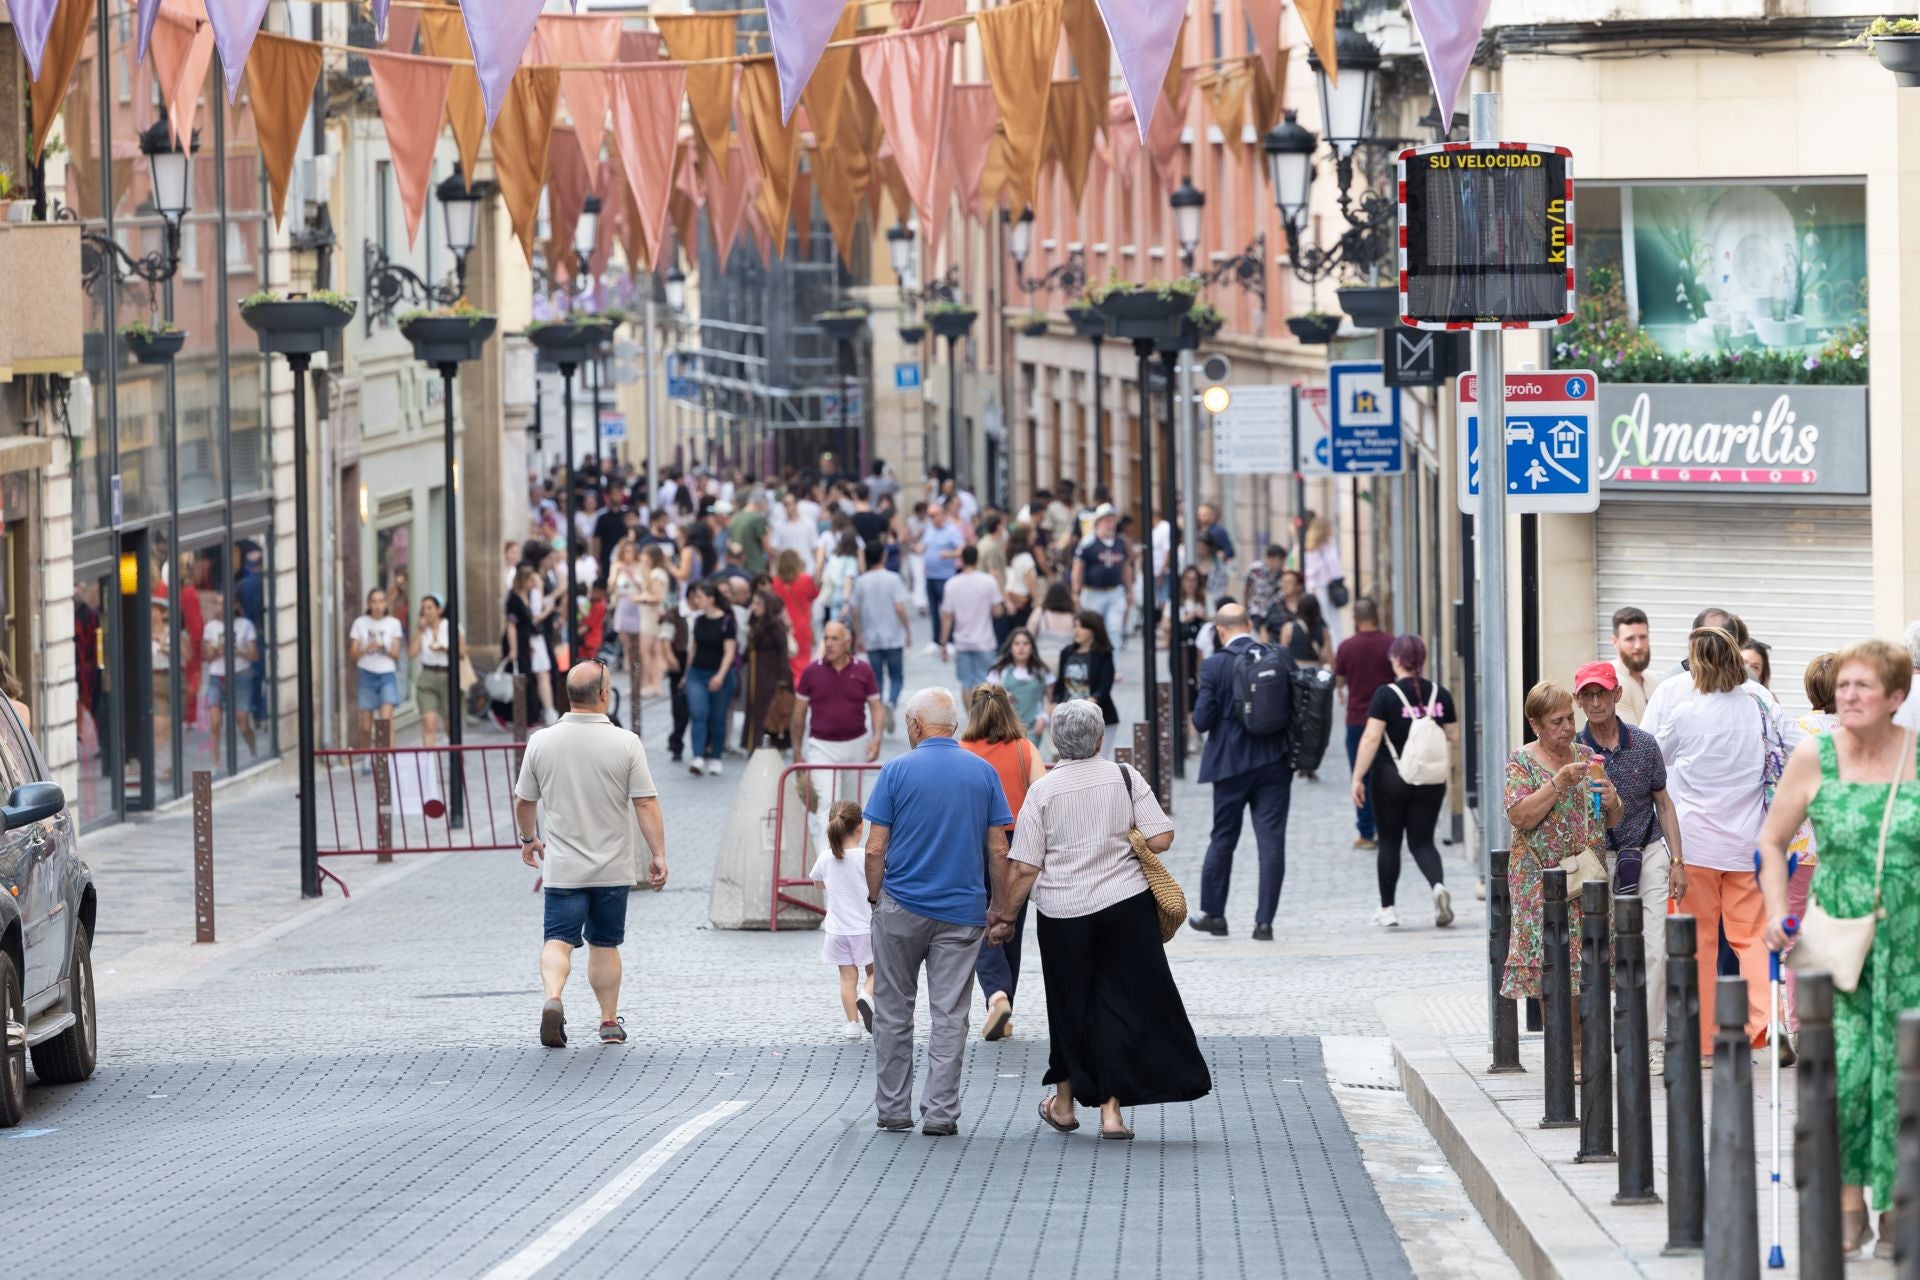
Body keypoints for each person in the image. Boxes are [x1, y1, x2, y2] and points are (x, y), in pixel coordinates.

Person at [1760, 639, 1920, 1255]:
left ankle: (1902, 1205)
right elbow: (1772, 840)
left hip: (1911, 942)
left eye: (1864, 687)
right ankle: (1851, 1202)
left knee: (1904, 1076)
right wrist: (1779, 911)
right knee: (1849, 1076)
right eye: (1844, 685)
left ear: (1897, 699)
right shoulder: (1815, 756)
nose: (1848, 697)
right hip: (1842, 942)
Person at [990, 699, 1211, 1139]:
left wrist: (1006, 917)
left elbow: (1026, 866)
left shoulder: (1044, 791)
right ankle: (1112, 1114)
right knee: (1119, 1005)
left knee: (1069, 1004)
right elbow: (1161, 838)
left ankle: (1066, 1104)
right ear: (1099, 739)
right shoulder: (1124, 776)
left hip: (1063, 913)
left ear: (1055, 741)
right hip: (1125, 906)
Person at [862, 688, 1012, 1136]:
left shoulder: (896, 772)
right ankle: (941, 1113)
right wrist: (1001, 908)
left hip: (901, 907)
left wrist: (875, 897)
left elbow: (874, 847)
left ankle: (893, 1108)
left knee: (893, 1010)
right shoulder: (982, 773)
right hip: (961, 912)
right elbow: (999, 851)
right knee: (950, 1015)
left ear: (914, 725)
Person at [515, 661, 669, 1048]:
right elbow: (645, 804)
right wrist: (658, 855)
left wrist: (528, 838)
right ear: (604, 695)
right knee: (604, 944)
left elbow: (524, 800)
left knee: (557, 941)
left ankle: (553, 998)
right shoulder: (626, 742)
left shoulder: (541, 742)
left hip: (563, 868)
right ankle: (608, 1022)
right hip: (611, 869)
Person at [1645, 626, 1780, 1055]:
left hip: (1695, 845)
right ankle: (1768, 1025)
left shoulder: (1684, 713)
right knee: (1754, 938)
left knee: (1699, 942)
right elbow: (1793, 747)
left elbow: (1654, 764)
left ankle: (1702, 1042)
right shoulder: (1759, 705)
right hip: (1748, 843)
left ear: (1697, 664)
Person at [1572, 659, 1686, 1054]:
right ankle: (1605, 1034)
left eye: (1601, 692)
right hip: (1598, 857)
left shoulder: (1644, 743)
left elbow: (1664, 803)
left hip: (1648, 848)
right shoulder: (1575, 754)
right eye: (1587, 694)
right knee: (1603, 949)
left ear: (1617, 695)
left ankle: (1651, 1038)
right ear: (1579, 701)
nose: (1596, 701)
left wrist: (1677, 862)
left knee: (1655, 946)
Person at [1501, 681, 1621, 1007]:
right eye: (1557, 722)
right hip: (1542, 884)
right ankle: (1566, 1054)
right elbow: (1520, 817)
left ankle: (1582, 1051)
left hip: (1586, 880)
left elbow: (1608, 820)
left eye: (1570, 718)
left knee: (1588, 968)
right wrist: (1558, 783)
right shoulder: (1521, 762)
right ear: (1535, 724)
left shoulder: (1586, 756)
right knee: (1552, 968)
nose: (1568, 728)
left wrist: (1613, 801)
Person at [1188, 604, 1295, 940]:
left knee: (1223, 838)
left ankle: (1215, 914)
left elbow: (1202, 720)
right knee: (1272, 841)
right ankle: (1264, 923)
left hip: (1230, 766)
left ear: (1220, 630)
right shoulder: (1279, 656)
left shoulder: (1215, 664)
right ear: (1250, 624)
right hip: (1275, 762)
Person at [1347, 634, 1458, 928]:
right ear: (1420, 660)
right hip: (1430, 779)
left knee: (1390, 842)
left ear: (1396, 659)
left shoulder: (1386, 695)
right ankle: (1438, 887)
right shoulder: (1440, 694)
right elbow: (1454, 734)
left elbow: (1371, 737)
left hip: (1390, 777)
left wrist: (1357, 777)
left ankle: (1388, 910)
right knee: (1422, 841)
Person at [958, 684, 1047, 1042]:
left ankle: (996, 996)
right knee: (1010, 921)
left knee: (979, 918)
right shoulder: (1026, 750)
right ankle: (1004, 1005)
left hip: (974, 841)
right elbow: (1043, 797)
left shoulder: (962, 752)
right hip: (1018, 842)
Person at [792, 621, 883, 863]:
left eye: (835, 639)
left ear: (848, 642)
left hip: (855, 743)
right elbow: (799, 713)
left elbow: (876, 706)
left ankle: (852, 861)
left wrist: (876, 739)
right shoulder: (812, 671)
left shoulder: (863, 670)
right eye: (826, 638)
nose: (829, 644)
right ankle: (825, 866)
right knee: (827, 806)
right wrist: (797, 752)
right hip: (821, 746)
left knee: (852, 807)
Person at [811, 801, 877, 1042]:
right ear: (861, 827)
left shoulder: (826, 858)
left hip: (837, 931)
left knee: (847, 978)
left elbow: (818, 883)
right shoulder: (864, 857)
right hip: (865, 928)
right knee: (878, 970)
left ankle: (852, 1025)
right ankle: (868, 996)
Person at [1333, 598, 1395, 850]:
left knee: (1361, 776)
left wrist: (1341, 691)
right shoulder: (1390, 644)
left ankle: (1366, 832)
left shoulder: (1347, 646)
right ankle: (1385, 828)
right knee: (1387, 775)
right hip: (1388, 721)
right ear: (1377, 615)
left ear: (1355, 619)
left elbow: (1339, 679)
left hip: (1358, 718)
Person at [846, 542, 911, 728]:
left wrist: (859, 634)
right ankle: (891, 702)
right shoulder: (893, 579)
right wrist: (906, 629)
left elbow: (855, 610)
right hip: (893, 635)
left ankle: (879, 711)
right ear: (882, 557)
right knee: (896, 675)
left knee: (876, 679)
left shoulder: (861, 581)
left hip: (871, 636)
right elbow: (900, 607)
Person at [683, 580, 738, 776]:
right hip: (697, 672)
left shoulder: (726, 622)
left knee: (718, 717)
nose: (696, 600)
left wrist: (721, 676)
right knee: (699, 713)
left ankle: (715, 757)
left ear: (711, 599)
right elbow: (693, 648)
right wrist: (685, 673)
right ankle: (698, 756)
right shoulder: (698, 620)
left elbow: (729, 652)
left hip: (719, 674)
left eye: (699, 596)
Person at [1050, 610, 1119, 758]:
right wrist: (1054, 701)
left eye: (1081, 626)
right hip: (1070, 719)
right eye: (1075, 626)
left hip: (1099, 717)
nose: (1077, 630)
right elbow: (1060, 683)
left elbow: (1106, 683)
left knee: (1097, 759)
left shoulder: (1103, 654)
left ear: (1093, 630)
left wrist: (1094, 698)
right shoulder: (1067, 652)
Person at [940, 545, 1005, 693]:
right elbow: (998, 612)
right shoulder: (989, 581)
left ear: (961, 560)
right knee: (988, 683)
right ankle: (984, 715)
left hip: (962, 641)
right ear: (978, 559)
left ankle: (971, 715)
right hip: (985, 640)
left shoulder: (951, 584)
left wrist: (943, 642)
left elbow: (947, 616)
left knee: (966, 684)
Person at [349, 588, 404, 748]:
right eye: (374, 601)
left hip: (386, 674)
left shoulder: (393, 623)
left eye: (381, 601)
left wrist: (383, 648)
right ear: (369, 603)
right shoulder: (360, 623)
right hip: (366, 673)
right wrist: (366, 648)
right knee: (366, 725)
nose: (378, 605)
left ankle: (386, 759)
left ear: (386, 603)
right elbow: (352, 654)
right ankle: (367, 754)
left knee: (385, 721)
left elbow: (396, 653)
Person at [1071, 505, 1132, 650]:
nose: (1110, 524)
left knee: (1114, 630)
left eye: (1112, 521)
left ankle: (1113, 667)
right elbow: (1078, 567)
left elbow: (1125, 567)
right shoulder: (1088, 543)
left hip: (1115, 592)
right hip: (1093, 593)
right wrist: (1076, 591)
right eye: (1106, 521)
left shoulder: (1120, 542)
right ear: (1098, 523)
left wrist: (1129, 590)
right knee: (1093, 630)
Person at [740, 589, 794, 752]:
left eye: (758, 604)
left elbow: (783, 652)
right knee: (755, 708)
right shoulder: (755, 625)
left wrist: (783, 679)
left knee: (769, 708)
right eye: (753, 603)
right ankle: (753, 743)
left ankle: (767, 743)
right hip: (756, 674)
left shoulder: (775, 626)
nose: (754, 607)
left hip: (771, 674)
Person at [987, 629, 1051, 747]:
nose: (1021, 647)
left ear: (1032, 647)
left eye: (1025, 643)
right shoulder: (999, 672)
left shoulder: (1043, 671)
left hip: (1033, 729)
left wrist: (1044, 718)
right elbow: (989, 701)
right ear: (1010, 647)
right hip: (1006, 730)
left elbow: (1053, 700)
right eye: (1017, 643)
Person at [408, 595, 453, 747]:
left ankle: (457, 761)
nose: (426, 612)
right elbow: (412, 653)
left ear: (438, 610)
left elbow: (461, 652)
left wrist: (444, 649)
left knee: (449, 725)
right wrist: (420, 631)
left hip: (448, 675)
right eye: (424, 608)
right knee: (428, 723)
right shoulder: (422, 630)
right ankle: (429, 767)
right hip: (427, 675)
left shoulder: (449, 626)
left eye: (430, 608)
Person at [771, 549, 819, 687]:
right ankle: (801, 696)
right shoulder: (805, 580)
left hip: (783, 627)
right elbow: (814, 595)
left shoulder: (775, 583)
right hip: (802, 627)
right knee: (802, 665)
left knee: (786, 665)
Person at [1608, 606, 1660, 725]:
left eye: (1643, 637)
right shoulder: (1611, 683)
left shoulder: (1653, 680)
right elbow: (1630, 740)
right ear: (1615, 642)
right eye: (1630, 639)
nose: (1638, 645)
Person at [919, 501, 966, 632]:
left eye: (933, 515)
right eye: (929, 515)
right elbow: (924, 545)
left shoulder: (952, 530)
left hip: (945, 576)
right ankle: (936, 640)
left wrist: (949, 554)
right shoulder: (930, 529)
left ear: (941, 514)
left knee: (947, 610)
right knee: (933, 610)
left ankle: (950, 639)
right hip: (930, 576)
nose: (931, 518)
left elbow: (962, 549)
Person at [1302, 514, 1345, 644]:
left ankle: (1337, 647)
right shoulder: (1312, 549)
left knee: (1335, 619)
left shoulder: (1330, 545)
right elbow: (1311, 571)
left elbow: (1336, 566)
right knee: (1325, 620)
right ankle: (1329, 648)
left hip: (1332, 586)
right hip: (1319, 588)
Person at [819, 530, 862, 630]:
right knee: (846, 631)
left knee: (835, 628)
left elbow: (827, 576)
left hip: (834, 595)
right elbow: (848, 579)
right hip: (846, 596)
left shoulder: (833, 557)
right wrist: (846, 602)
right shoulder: (851, 560)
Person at [1243, 544, 1287, 636]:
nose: (1282, 564)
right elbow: (1247, 588)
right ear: (1271, 558)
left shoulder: (1281, 574)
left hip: (1271, 611)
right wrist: (1246, 606)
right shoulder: (1255, 569)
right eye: (1280, 560)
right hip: (1256, 610)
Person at [726, 490, 771, 575]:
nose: (765, 507)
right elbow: (766, 546)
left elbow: (729, 542)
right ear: (759, 503)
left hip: (738, 567)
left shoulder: (734, 518)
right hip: (755, 566)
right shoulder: (757, 518)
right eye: (765, 504)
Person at [1031, 581, 1078, 649]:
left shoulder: (1039, 613)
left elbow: (1028, 635)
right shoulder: (1074, 616)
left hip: (1042, 656)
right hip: (1067, 658)